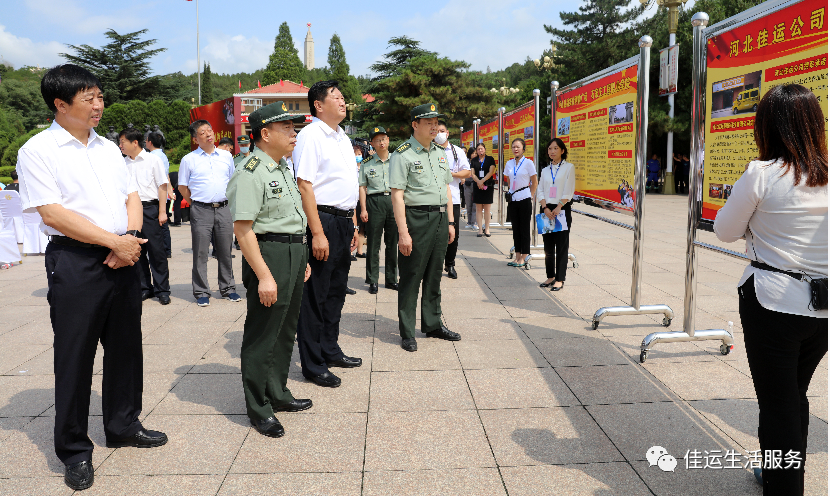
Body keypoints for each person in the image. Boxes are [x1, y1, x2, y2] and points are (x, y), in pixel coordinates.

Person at [17, 64, 167, 492]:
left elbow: (130, 195)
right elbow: (53, 213)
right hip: (77, 261)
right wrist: (112, 242)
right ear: (60, 104)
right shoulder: (38, 150)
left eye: (100, 96)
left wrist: (132, 239)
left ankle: (123, 425)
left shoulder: (107, 148)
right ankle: (74, 450)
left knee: (125, 348)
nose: (99, 105)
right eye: (89, 99)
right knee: (75, 355)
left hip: (124, 253)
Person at [713, 84, 828, 495]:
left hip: (773, 303)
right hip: (822, 311)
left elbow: (725, 230)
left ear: (768, 128)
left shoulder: (762, 174)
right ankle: (783, 474)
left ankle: (784, 486)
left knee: (777, 402)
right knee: (795, 394)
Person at [227, 101, 313, 438]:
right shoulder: (250, 170)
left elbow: (292, 220)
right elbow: (244, 229)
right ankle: (259, 407)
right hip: (270, 255)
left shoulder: (279, 168)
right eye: (287, 128)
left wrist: (301, 259)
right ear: (265, 133)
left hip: (292, 252)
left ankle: (277, 392)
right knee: (263, 333)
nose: (294, 134)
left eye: (295, 128)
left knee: (285, 328)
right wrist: (264, 275)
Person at [293, 81, 363, 388]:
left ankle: (330, 348)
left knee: (336, 290)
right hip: (322, 220)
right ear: (318, 105)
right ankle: (313, 363)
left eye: (343, 98)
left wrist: (354, 226)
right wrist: (317, 233)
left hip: (343, 221)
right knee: (315, 294)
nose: (343, 102)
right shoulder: (311, 135)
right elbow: (305, 184)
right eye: (336, 97)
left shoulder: (341, 136)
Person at [390, 103, 460, 352]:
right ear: (415, 125)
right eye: (428, 122)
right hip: (417, 218)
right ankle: (407, 331)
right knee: (411, 275)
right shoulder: (403, 154)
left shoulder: (439, 153)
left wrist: (451, 222)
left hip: (441, 218)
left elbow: (448, 191)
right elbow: (397, 195)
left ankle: (432, 323)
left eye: (435, 122)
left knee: (434, 275)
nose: (434, 126)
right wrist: (403, 232)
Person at [178, 120, 241, 306]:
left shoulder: (226, 156)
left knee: (225, 250)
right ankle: (201, 291)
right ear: (196, 138)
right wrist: (196, 204)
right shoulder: (189, 159)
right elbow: (182, 187)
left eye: (209, 130)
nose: (208, 134)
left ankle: (228, 288)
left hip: (224, 208)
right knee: (200, 252)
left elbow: (232, 182)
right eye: (203, 132)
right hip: (201, 210)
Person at [118, 127, 171, 305]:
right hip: (129, 211)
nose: (120, 146)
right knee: (135, 249)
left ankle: (162, 289)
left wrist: (162, 211)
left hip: (150, 209)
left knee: (156, 251)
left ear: (135, 142)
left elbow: (162, 186)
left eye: (122, 142)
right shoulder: (121, 163)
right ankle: (144, 287)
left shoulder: (153, 160)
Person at [359, 126, 398, 294]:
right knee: (373, 243)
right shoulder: (366, 164)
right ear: (372, 144)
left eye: (383, 139)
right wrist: (363, 209)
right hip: (374, 202)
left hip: (394, 201)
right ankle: (372, 280)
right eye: (377, 140)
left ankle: (391, 279)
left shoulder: (397, 160)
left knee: (392, 243)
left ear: (388, 140)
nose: (381, 142)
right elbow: (362, 187)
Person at [536, 138, 575, 291]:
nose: (552, 151)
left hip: (562, 208)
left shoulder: (569, 167)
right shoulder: (545, 170)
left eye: (556, 148)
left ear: (562, 150)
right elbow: (540, 190)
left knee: (562, 245)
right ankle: (550, 276)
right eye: (550, 148)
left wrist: (559, 206)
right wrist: (544, 207)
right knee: (548, 245)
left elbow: (569, 189)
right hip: (546, 209)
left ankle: (560, 278)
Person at [435, 121, 470, 279]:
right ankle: (433, 264)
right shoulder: (430, 150)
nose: (439, 133)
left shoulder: (456, 151)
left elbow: (467, 172)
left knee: (452, 234)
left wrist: (451, 175)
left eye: (442, 130)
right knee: (434, 234)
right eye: (437, 131)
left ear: (447, 133)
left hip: (453, 199)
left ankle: (450, 264)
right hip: (433, 198)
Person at [503, 138, 537, 268]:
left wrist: (531, 196)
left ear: (523, 148)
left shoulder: (528, 163)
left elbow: (534, 182)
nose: (515, 149)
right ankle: (517, 256)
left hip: (524, 198)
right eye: (513, 147)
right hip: (513, 199)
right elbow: (508, 180)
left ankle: (524, 257)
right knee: (515, 228)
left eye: (518, 147)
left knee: (524, 228)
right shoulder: (509, 164)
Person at [145, 132, 173, 258]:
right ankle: (167, 249)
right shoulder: (163, 155)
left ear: (150, 142)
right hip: (163, 195)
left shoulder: (151, 157)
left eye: (146, 141)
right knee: (163, 224)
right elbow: (166, 176)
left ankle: (163, 249)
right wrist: (170, 191)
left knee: (159, 225)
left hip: (155, 195)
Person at [470, 143, 496, 237]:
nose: (480, 151)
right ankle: (480, 229)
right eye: (478, 149)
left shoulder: (490, 159)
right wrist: (479, 182)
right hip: (477, 186)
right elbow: (472, 173)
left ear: (484, 149)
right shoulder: (474, 160)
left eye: (481, 149)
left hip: (487, 185)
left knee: (487, 209)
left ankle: (487, 228)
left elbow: (491, 171)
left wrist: (483, 181)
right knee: (478, 208)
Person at [464, 147, 477, 229]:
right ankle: (469, 222)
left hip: (476, 185)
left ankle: (474, 222)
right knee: (468, 204)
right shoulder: (466, 162)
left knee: (475, 205)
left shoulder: (479, 162)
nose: (474, 155)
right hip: (467, 184)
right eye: (472, 153)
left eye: (475, 153)